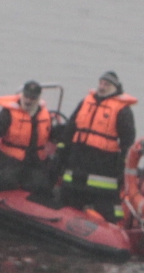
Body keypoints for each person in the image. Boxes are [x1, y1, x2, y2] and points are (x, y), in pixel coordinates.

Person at [58, 70, 139, 218]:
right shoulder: (85, 102)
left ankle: (111, 224)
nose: (102, 87)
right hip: (78, 157)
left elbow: (128, 140)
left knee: (103, 201)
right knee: (70, 192)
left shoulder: (122, 110)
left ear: (115, 87)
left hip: (103, 162)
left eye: (106, 84)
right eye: (101, 83)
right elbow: (71, 126)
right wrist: (62, 148)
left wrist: (123, 163)